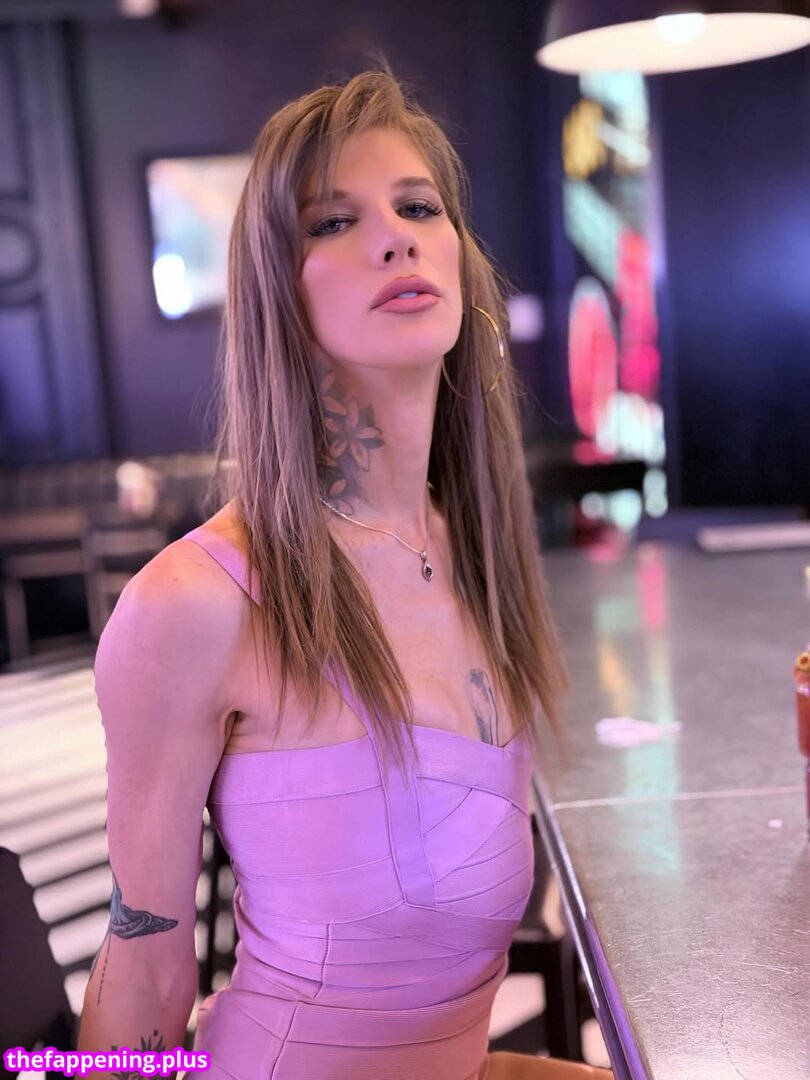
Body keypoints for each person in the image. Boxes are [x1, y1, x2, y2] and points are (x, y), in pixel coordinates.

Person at [78, 68, 612, 1080]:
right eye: (333, 222)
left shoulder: (472, 548)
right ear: (276, 293)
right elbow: (144, 971)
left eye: (419, 207)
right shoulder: (194, 606)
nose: (397, 238)